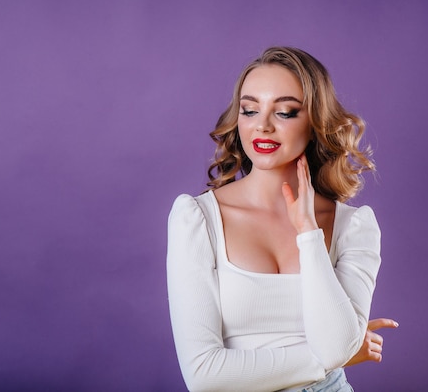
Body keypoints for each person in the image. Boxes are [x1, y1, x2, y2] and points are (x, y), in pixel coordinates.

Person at [167, 46, 398, 392]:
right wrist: (332, 358)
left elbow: (337, 346)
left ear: (315, 122)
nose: (262, 125)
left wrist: (308, 233)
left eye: (285, 112)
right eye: (249, 110)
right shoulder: (197, 218)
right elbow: (203, 374)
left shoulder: (355, 227)